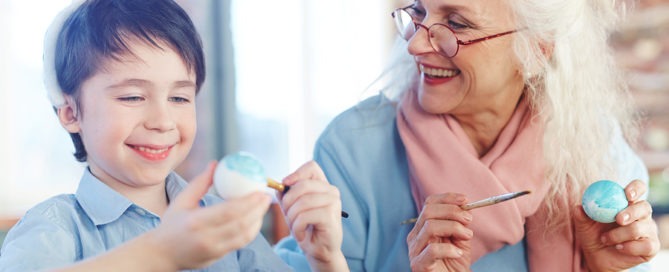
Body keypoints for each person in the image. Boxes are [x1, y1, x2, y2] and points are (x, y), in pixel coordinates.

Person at [275, 0, 661, 271]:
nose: (415, 43)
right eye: (420, 12)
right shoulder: (352, 148)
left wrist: (605, 269)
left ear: (537, 49)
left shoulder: (597, 148)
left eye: (457, 24)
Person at [0, 0, 347, 271]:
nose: (163, 121)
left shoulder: (223, 222)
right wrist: (162, 253)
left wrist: (326, 260)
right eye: (133, 97)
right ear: (71, 113)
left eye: (180, 97)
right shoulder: (55, 229)